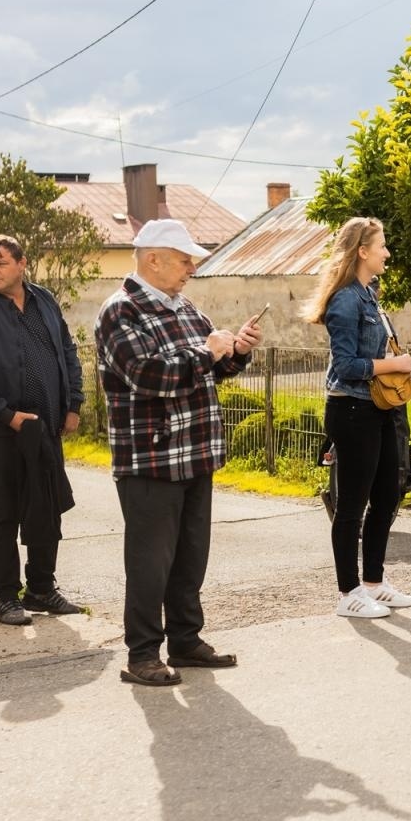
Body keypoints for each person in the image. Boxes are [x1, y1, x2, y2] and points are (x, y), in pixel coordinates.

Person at [96, 219, 262, 686]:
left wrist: (237, 351)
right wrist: (207, 355)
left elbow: (212, 369)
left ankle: (186, 641)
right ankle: (142, 654)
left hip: (196, 453)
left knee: (191, 555)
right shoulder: (120, 312)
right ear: (153, 259)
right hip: (150, 458)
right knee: (151, 561)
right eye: (185, 259)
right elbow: (149, 377)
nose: (192, 267)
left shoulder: (185, 307)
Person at [0, 234, 84, 625]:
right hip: (0, 429)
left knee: (47, 505)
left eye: (0, 264)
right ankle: (6, 597)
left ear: (21, 264)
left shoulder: (44, 300)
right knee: (5, 510)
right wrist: (5, 414)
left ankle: (41, 588)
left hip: (45, 425)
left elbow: (67, 351)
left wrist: (73, 403)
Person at [307, 217, 411, 619]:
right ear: (362, 251)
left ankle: (374, 582)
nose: (387, 252)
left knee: (388, 494)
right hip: (351, 409)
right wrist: (391, 362)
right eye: (382, 245)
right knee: (351, 505)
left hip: (379, 408)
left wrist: (402, 367)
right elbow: (346, 366)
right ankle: (348, 592)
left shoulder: (369, 294)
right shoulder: (345, 300)